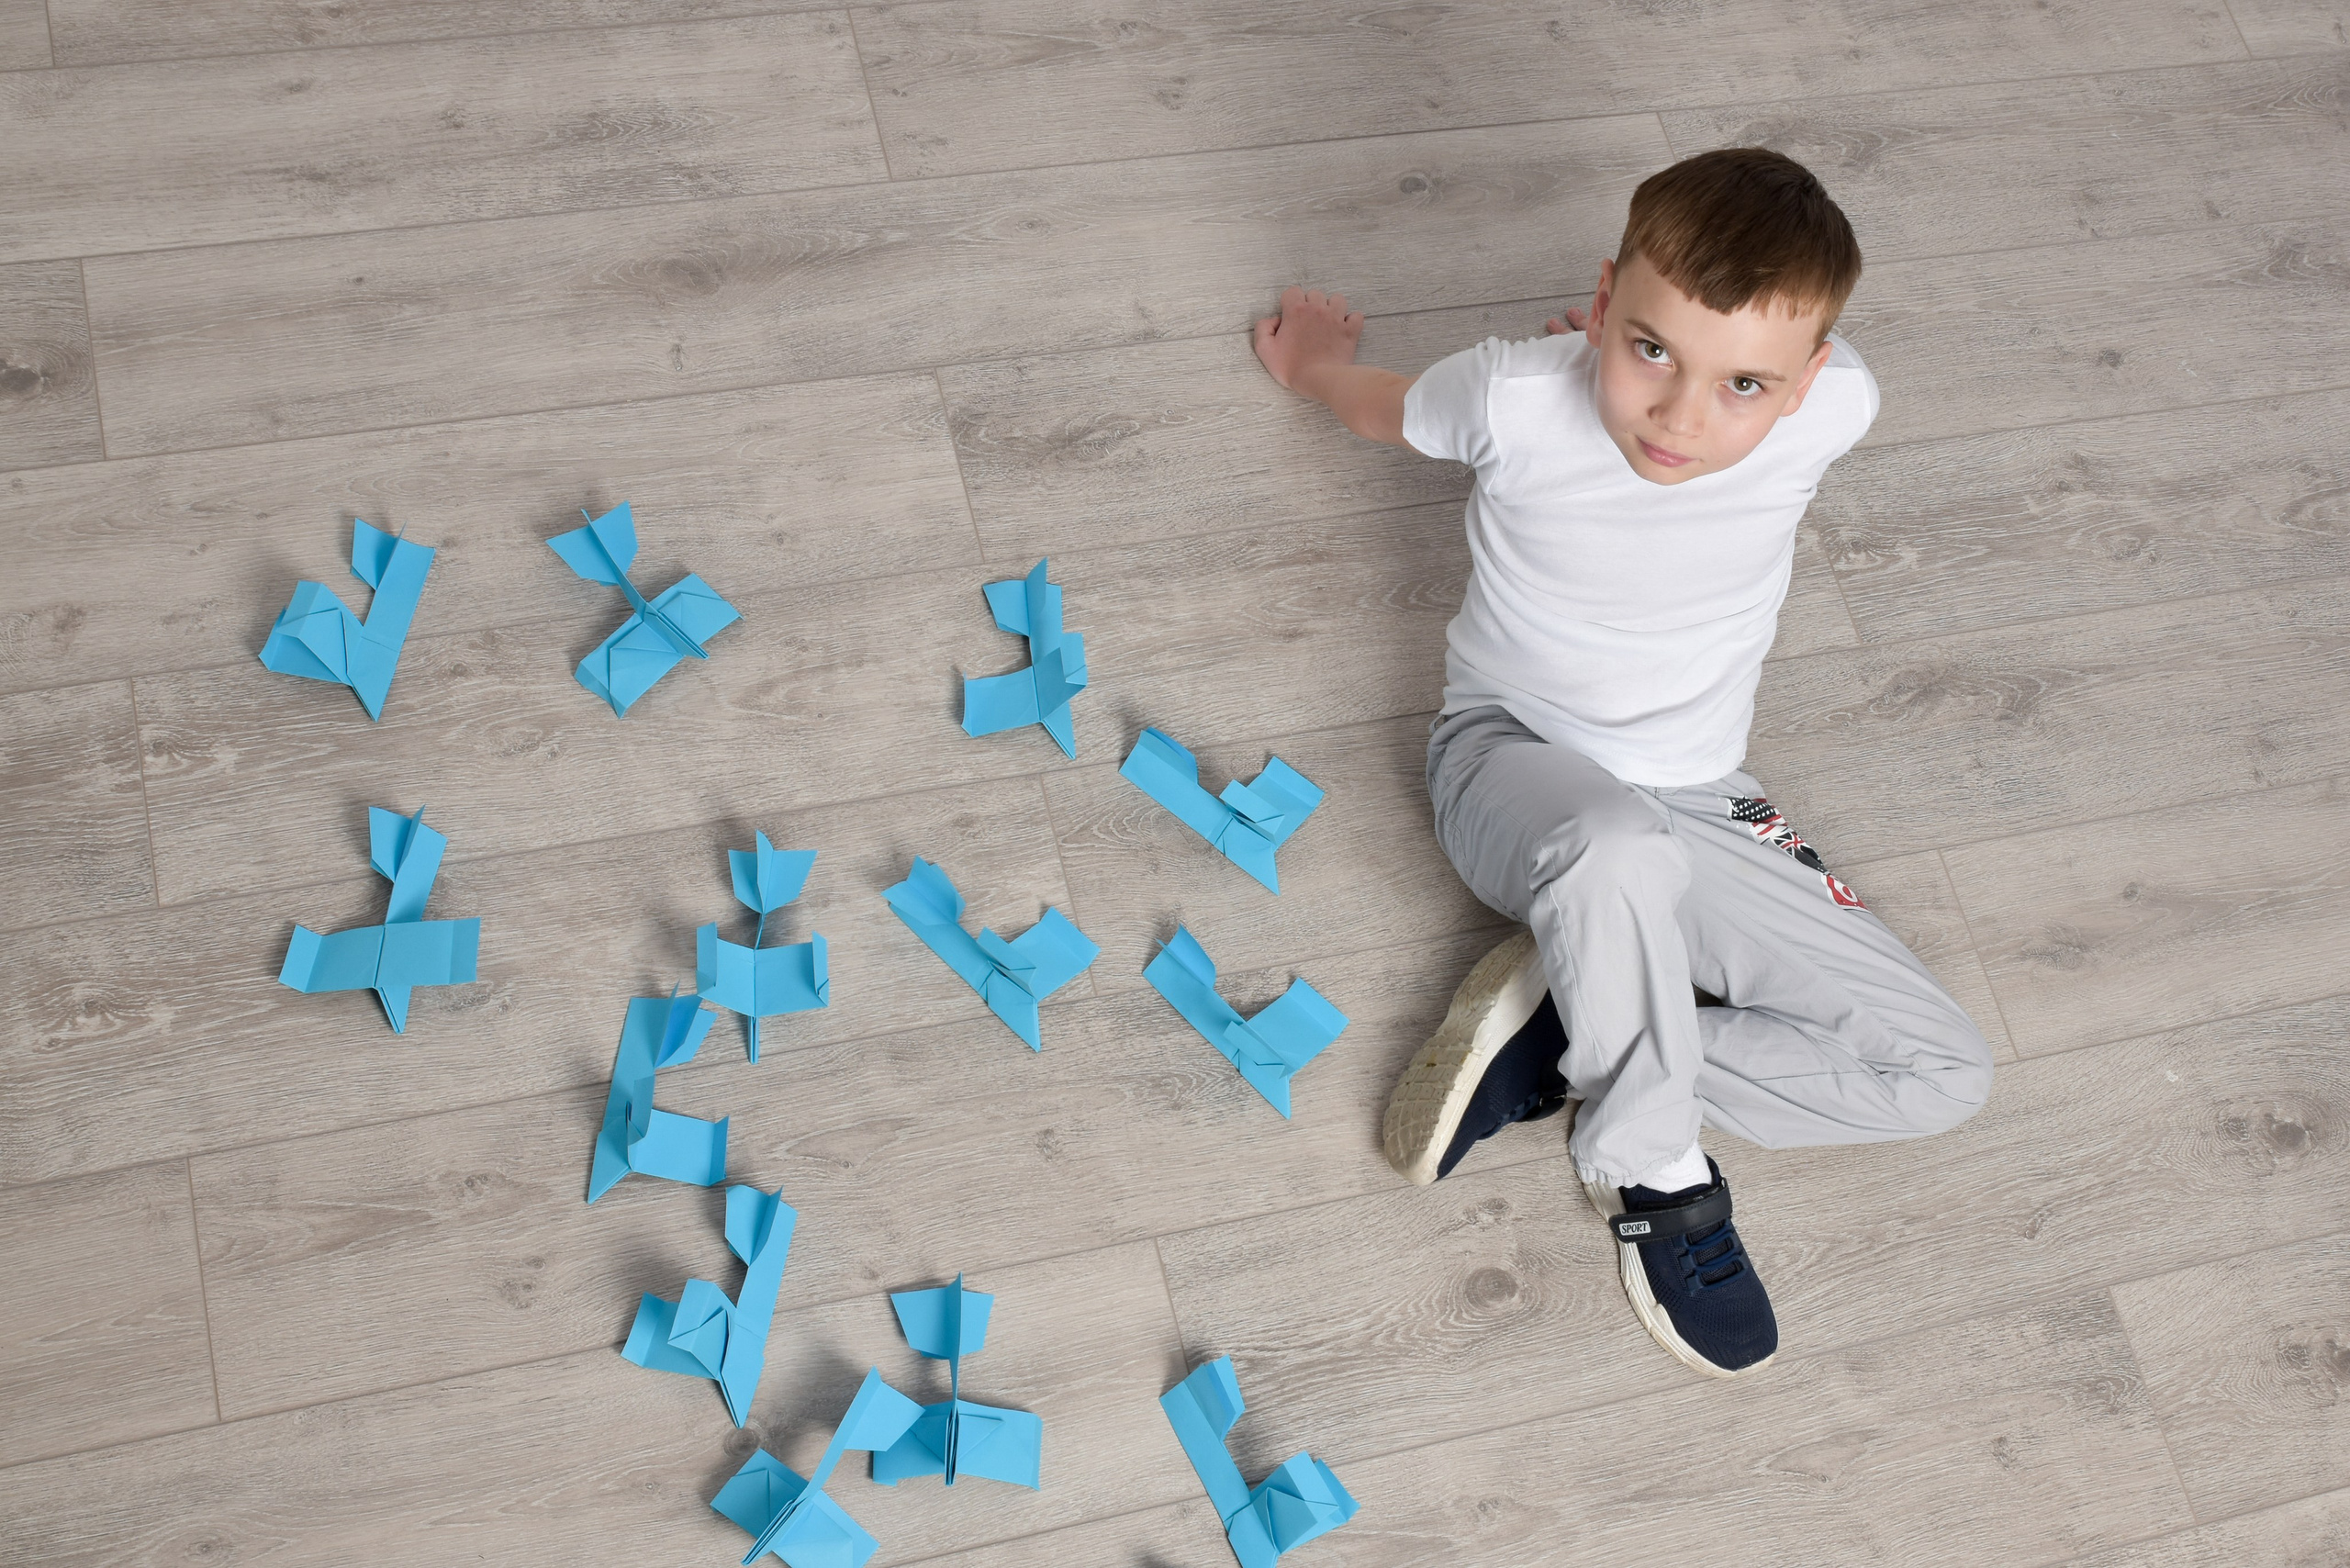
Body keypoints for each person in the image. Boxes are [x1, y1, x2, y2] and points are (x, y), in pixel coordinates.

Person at [1250, 148, 1993, 1378]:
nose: (1682, 418)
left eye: (1742, 383)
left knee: (1938, 1076)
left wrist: (1645, 354)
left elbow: (1732, 373)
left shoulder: (1845, 404)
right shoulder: (1509, 398)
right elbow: (1379, 407)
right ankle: (1652, 1171)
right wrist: (1316, 361)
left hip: (1702, 793)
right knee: (1613, 846)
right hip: (1512, 762)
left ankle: (1576, 1034)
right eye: (1650, 351)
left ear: (1809, 387)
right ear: (1599, 305)